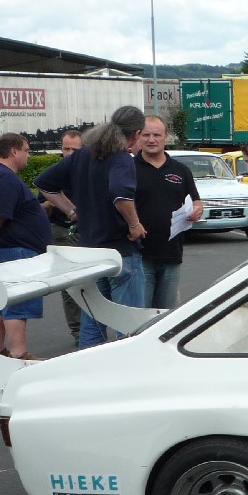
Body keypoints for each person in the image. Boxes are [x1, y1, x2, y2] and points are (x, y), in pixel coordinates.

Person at [35, 105, 147, 349]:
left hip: (89, 251)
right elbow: (120, 195)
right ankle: (127, 367)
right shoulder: (121, 158)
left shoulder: (84, 155)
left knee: (93, 319)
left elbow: (44, 183)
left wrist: (71, 211)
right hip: (120, 252)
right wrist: (134, 224)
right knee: (127, 322)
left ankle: (88, 364)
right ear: (136, 134)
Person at [0, 133, 50, 359]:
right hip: (15, 251)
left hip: (1, 250)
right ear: (14, 151)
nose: (28, 156)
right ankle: (18, 353)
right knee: (17, 301)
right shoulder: (6, 178)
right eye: (26, 150)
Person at [135, 115, 202, 309]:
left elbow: (196, 201)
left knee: (166, 314)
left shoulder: (181, 170)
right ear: (138, 137)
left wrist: (197, 210)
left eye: (157, 135)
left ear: (166, 137)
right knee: (141, 314)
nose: (151, 140)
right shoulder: (129, 169)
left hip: (172, 253)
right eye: (146, 135)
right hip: (139, 255)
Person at [41, 129, 84, 342]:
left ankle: (93, 328)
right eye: (66, 149)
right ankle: (78, 331)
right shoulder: (55, 173)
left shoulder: (90, 172)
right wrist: (51, 203)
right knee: (70, 286)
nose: (69, 153)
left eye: (74, 149)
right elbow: (40, 208)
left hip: (88, 233)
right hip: (62, 231)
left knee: (93, 282)